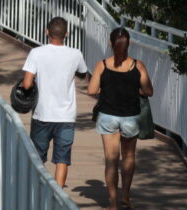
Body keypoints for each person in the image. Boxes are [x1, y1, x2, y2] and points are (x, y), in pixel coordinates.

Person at [87, 27, 154, 210]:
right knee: (129, 156)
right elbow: (149, 91)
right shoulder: (137, 65)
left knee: (111, 159)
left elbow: (92, 90)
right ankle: (125, 195)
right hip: (131, 117)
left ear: (110, 43)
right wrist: (134, 89)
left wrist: (107, 88)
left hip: (108, 116)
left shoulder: (102, 65)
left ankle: (113, 203)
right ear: (128, 44)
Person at [21, 17, 88, 189]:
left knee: (37, 156)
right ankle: (58, 197)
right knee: (62, 158)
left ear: (46, 32)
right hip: (66, 116)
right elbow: (83, 73)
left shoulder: (36, 53)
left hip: (42, 113)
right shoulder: (75, 54)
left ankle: (37, 190)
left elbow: (27, 84)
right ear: (66, 34)